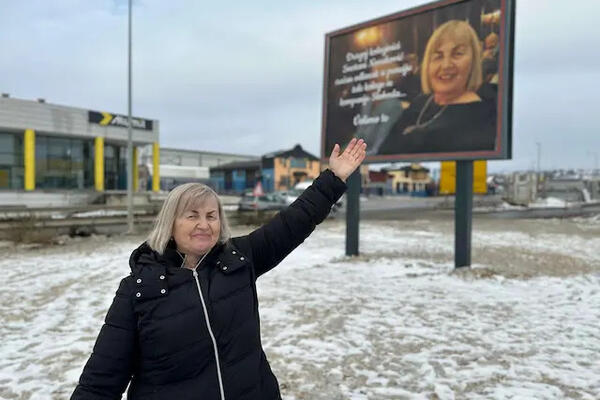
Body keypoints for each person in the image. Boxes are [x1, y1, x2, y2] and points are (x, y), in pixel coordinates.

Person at [70, 138, 367, 400]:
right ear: (170, 225)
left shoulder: (238, 259)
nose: (204, 224)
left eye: (212, 215)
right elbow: (101, 381)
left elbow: (292, 223)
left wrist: (334, 178)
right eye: (192, 215)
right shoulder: (138, 288)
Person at [379, 20, 497, 155]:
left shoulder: (484, 115)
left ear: (473, 61)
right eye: (438, 56)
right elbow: (384, 152)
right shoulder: (420, 103)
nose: (446, 65)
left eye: (457, 54)